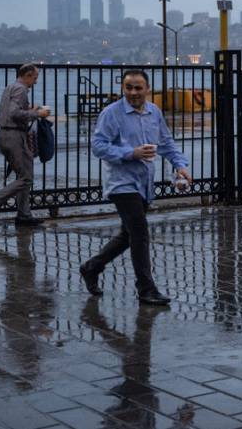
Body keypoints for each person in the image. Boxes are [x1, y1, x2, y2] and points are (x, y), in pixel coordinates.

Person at [78, 70, 193, 306]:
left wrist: (180, 165)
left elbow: (166, 142)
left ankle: (92, 267)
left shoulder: (154, 112)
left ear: (147, 89)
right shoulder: (111, 113)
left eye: (138, 87)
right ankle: (146, 289)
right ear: (123, 88)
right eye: (128, 87)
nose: (133, 92)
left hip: (144, 183)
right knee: (140, 233)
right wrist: (131, 153)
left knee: (127, 235)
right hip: (122, 183)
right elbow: (98, 146)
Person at [0, 63, 50, 226]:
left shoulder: (10, 87)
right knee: (26, 178)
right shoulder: (21, 89)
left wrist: (30, 109)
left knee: (22, 175)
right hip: (14, 136)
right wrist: (37, 113)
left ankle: (24, 215)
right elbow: (14, 113)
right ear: (27, 75)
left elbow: (11, 111)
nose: (36, 81)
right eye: (35, 77)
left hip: (3, 135)